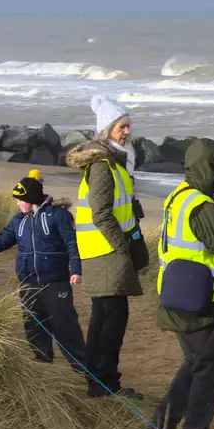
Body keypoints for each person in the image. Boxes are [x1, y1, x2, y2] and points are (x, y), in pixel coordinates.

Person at [152, 139, 214, 429]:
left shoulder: (179, 196)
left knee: (194, 364)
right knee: (208, 370)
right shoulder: (202, 205)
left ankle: (161, 425)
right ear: (210, 167)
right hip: (194, 301)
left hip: (177, 295)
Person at [65, 95, 150, 399]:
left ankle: (101, 382)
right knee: (110, 320)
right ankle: (103, 384)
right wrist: (122, 245)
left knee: (107, 317)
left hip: (104, 252)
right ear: (107, 130)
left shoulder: (113, 163)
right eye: (121, 127)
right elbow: (100, 212)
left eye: (128, 126)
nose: (127, 132)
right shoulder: (103, 165)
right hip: (106, 253)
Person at [0, 171, 87, 369]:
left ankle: (89, 375)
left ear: (30, 199)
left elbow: (72, 244)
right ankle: (43, 368)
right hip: (28, 283)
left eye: (20, 200)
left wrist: (76, 270)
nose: (17, 204)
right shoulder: (17, 221)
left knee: (66, 329)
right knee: (34, 328)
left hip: (56, 283)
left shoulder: (59, 216)